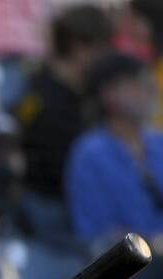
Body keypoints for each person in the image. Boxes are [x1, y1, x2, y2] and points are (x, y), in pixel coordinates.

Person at [16, 4, 112, 237]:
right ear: (79, 48)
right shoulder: (38, 91)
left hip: (88, 199)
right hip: (48, 203)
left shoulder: (93, 91)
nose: (106, 57)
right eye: (101, 48)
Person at [65, 52, 163, 242]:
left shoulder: (158, 142)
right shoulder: (90, 153)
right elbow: (96, 232)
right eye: (136, 85)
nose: (149, 90)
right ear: (109, 95)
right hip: (132, 262)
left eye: (148, 83)